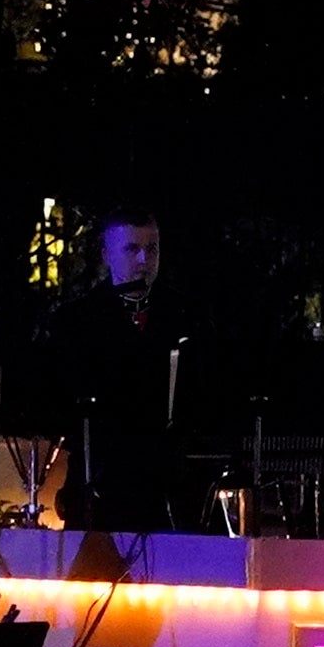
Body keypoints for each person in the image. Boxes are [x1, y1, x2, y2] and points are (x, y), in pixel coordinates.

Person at [38, 217, 229, 529]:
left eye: (152, 249)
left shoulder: (187, 315)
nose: (144, 260)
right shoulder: (76, 321)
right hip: (100, 478)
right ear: (106, 255)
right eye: (132, 249)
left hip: (173, 482)